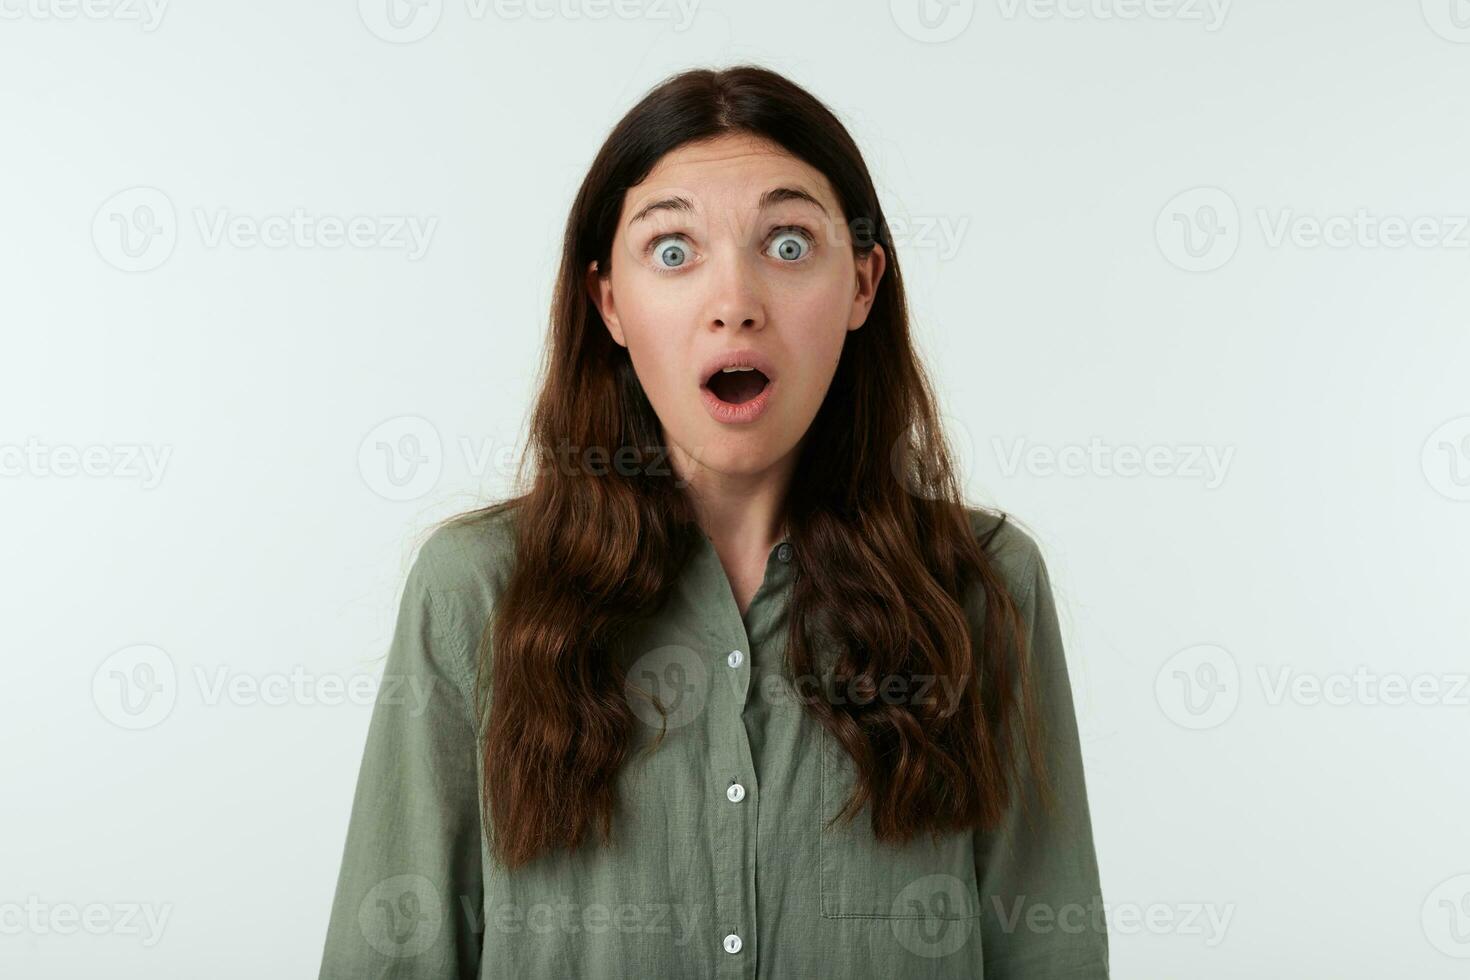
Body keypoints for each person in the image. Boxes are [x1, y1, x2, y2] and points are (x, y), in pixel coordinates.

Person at [319, 63, 1109, 979]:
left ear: (861, 284)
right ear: (609, 302)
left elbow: (1049, 951)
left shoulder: (983, 586)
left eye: (786, 244)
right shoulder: (475, 593)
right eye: (672, 250)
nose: (734, 302)